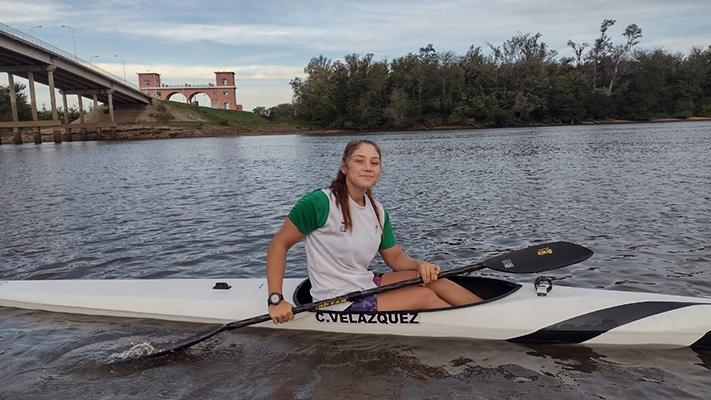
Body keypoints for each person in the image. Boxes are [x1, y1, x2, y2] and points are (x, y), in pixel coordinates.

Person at [266, 139, 483, 324]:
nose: (368, 167)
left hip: (364, 284)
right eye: (359, 161)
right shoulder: (319, 203)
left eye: (374, 162)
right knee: (423, 295)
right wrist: (276, 299)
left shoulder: (377, 211)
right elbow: (279, 245)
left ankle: (485, 312)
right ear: (344, 167)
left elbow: (395, 257)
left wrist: (420, 266)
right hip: (335, 299)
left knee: (433, 279)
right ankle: (480, 326)